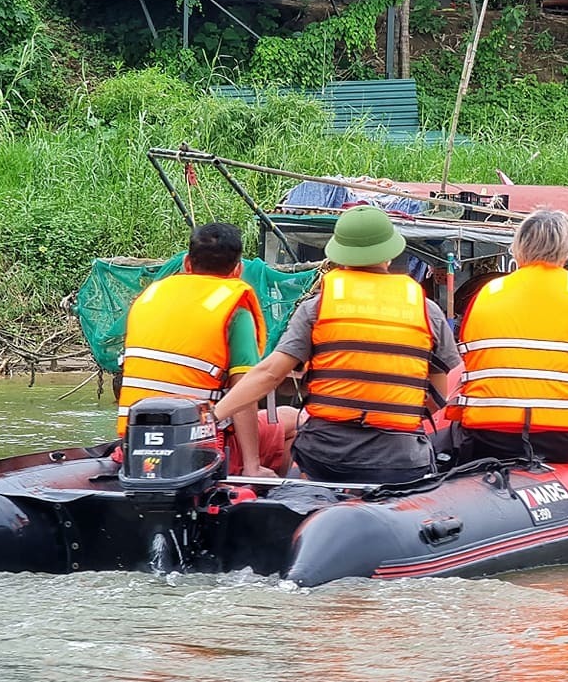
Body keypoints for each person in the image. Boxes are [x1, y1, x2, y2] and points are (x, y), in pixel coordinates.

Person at [210, 205, 459, 485]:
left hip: (327, 457)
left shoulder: (317, 308)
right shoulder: (428, 311)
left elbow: (270, 373)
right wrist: (395, 417)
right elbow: (440, 391)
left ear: (339, 256)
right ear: (390, 255)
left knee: (296, 451)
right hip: (400, 460)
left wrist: (213, 416)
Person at [117, 223, 295, 479]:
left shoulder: (149, 297)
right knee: (293, 418)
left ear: (187, 263)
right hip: (202, 444)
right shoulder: (235, 310)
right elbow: (243, 390)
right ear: (238, 269)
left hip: (133, 440)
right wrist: (251, 465)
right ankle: (255, 493)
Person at [451, 207, 568, 464]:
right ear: (567, 251)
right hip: (562, 441)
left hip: (488, 438)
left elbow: (469, 363)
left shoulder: (486, 292)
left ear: (518, 248)